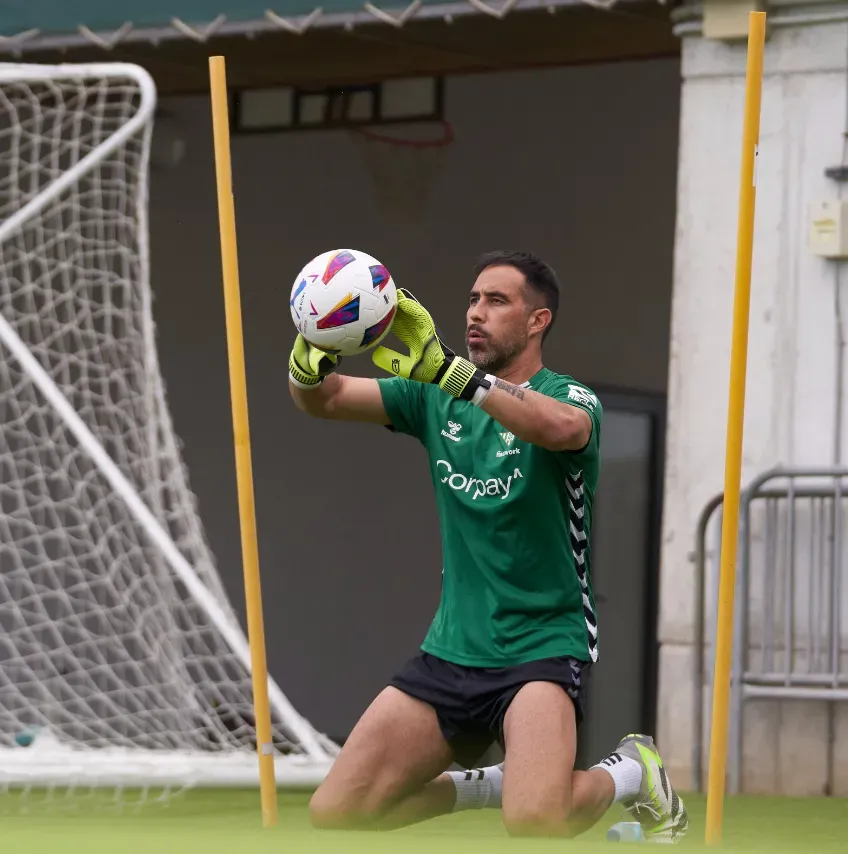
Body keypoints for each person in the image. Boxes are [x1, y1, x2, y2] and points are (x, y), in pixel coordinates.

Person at [287, 250, 688, 842]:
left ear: (537, 321)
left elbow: (558, 428)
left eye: (497, 301)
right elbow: (325, 400)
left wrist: (455, 375)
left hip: (541, 647)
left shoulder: (569, 398)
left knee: (535, 821)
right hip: (451, 650)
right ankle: (493, 784)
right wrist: (310, 350)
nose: (476, 313)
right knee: (338, 812)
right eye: (473, 299)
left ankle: (634, 771)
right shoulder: (432, 397)